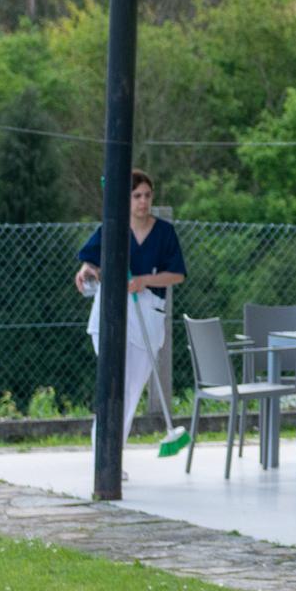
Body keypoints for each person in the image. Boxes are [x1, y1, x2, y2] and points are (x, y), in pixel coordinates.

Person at [77, 171, 186, 448]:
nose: (143, 201)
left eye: (147, 195)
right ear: (125, 199)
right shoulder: (111, 229)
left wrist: (143, 281)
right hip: (111, 313)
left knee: (130, 389)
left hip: (147, 313)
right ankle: (104, 452)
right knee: (115, 386)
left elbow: (176, 275)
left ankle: (110, 452)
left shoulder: (164, 232)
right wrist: (86, 271)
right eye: (137, 196)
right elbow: (90, 263)